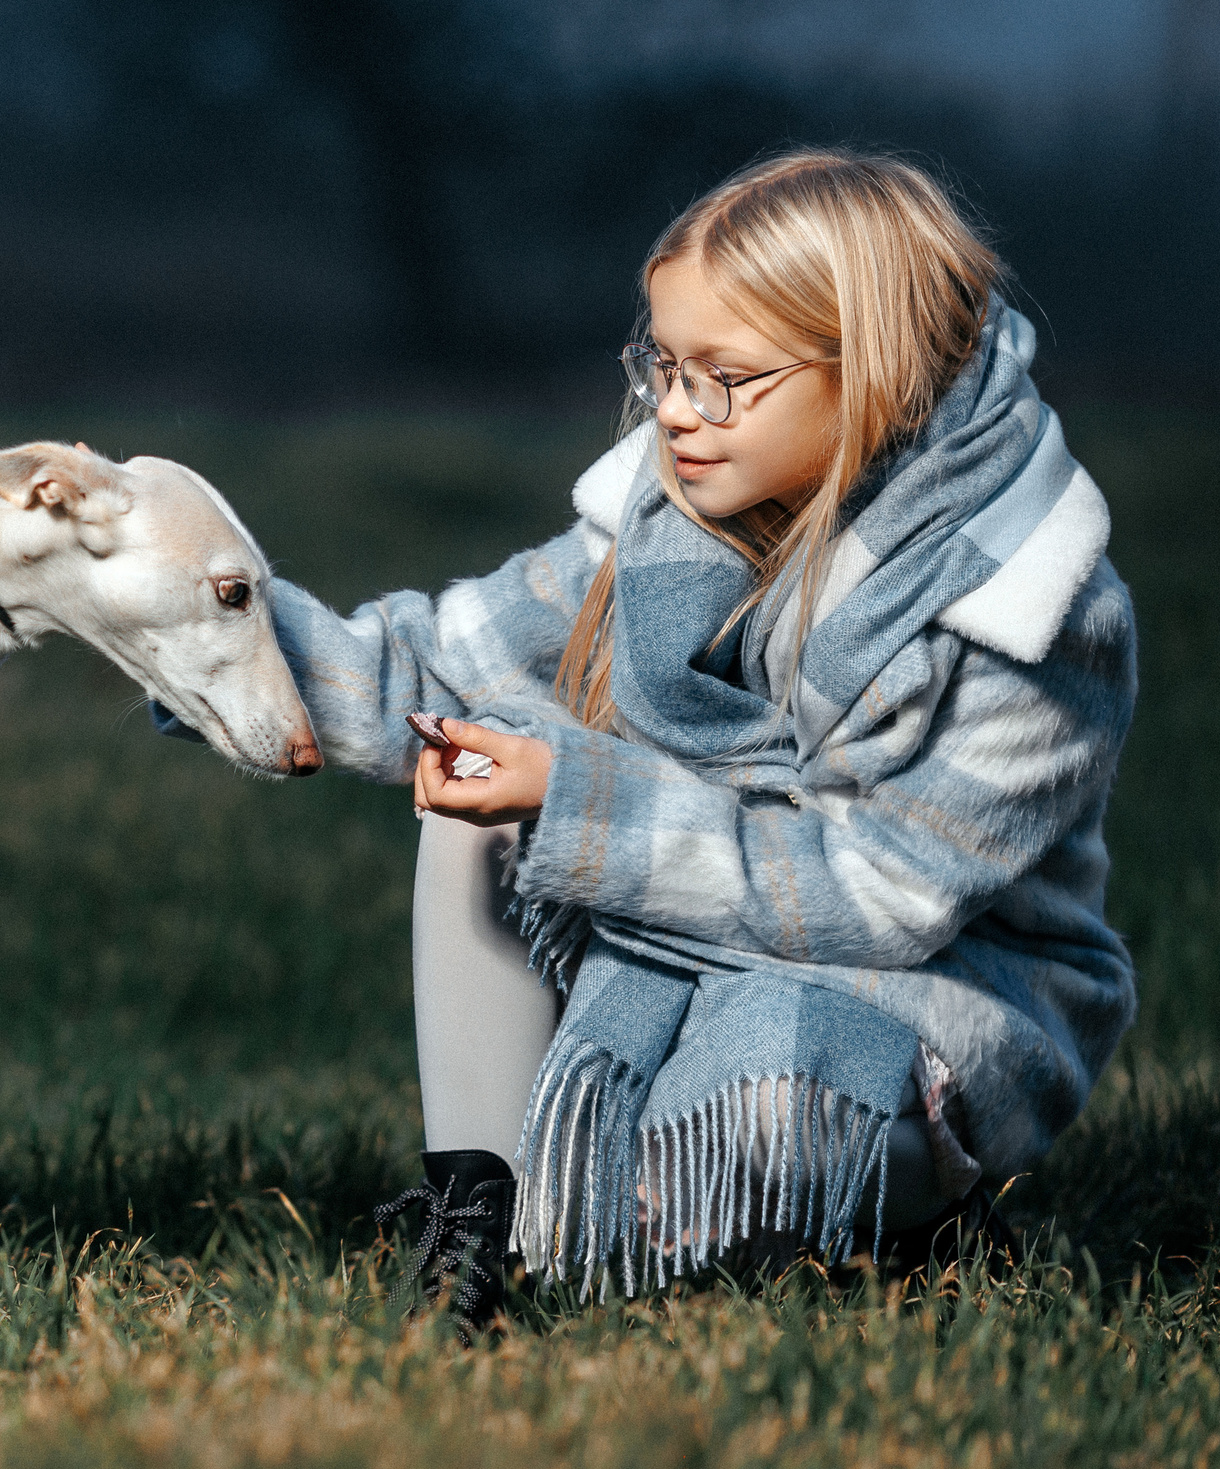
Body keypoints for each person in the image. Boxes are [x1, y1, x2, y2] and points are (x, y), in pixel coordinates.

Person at [243, 149, 1137, 1326]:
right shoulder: (672, 513)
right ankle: (480, 1229)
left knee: (756, 1114)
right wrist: (207, 639)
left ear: (871, 370)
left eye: (725, 376)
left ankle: (922, 1220)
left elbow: (880, 895)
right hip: (703, 936)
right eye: (661, 363)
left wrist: (581, 802)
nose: (673, 408)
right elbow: (446, 657)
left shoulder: (1029, 607)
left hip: (929, 1005)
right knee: (480, 767)